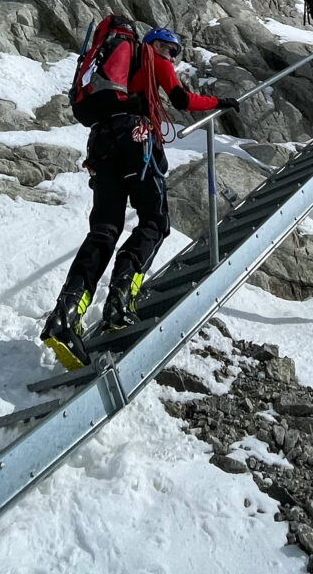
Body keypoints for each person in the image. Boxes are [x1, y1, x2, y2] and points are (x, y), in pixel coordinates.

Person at [40, 26, 234, 369]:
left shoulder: (114, 66)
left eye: (173, 52)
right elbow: (180, 99)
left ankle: (65, 316)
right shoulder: (150, 57)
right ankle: (120, 299)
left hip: (100, 142)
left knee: (104, 229)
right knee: (155, 221)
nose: (170, 56)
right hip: (136, 137)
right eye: (168, 49)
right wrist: (220, 102)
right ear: (155, 44)